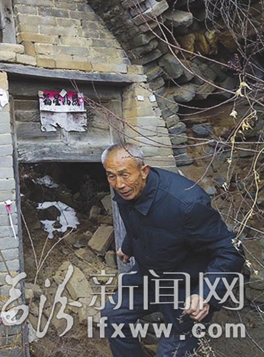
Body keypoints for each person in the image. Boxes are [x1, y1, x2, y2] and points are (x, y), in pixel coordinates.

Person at [100, 143, 244, 357]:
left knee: (171, 350)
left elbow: (231, 251)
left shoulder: (186, 203)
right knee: (113, 315)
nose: (119, 184)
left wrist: (206, 294)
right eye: (111, 176)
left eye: (124, 175)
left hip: (189, 284)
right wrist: (128, 246)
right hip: (151, 275)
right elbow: (142, 220)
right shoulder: (128, 191)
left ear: (144, 171)